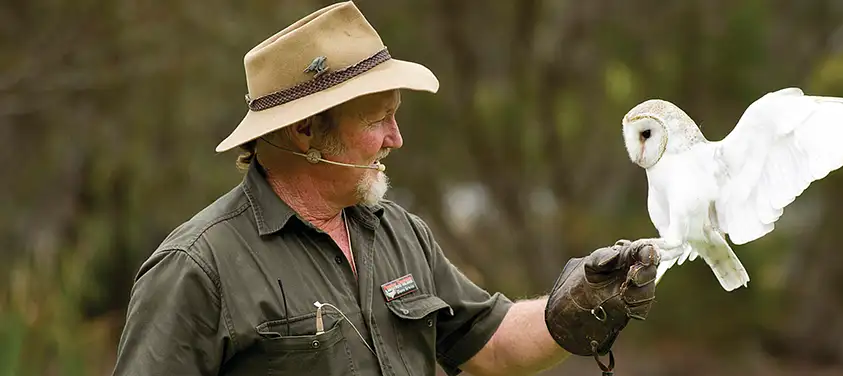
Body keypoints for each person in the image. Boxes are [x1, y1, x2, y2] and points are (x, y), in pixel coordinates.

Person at [111, 2, 660, 376]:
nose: (396, 138)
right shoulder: (196, 269)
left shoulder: (398, 232)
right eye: (378, 119)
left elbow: (486, 345)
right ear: (305, 132)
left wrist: (583, 301)